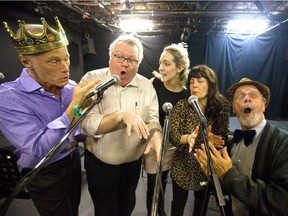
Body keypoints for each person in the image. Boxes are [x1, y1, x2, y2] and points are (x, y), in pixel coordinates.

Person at [0, 17, 100, 216]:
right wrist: (74, 108)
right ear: (26, 60)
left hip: (72, 162)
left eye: (66, 58)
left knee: (73, 210)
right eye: (54, 61)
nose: (65, 67)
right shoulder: (8, 99)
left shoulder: (70, 87)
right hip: (43, 173)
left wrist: (81, 125)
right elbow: (38, 149)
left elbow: (78, 124)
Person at [80, 34, 162, 216]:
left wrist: (156, 132)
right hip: (101, 167)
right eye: (119, 57)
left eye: (132, 60)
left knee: (127, 207)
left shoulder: (146, 86)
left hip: (132, 165)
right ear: (110, 57)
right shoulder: (92, 80)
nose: (125, 64)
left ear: (138, 63)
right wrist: (120, 117)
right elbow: (86, 123)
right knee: (105, 211)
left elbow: (153, 117)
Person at [195, 77, 288, 216]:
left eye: (253, 95)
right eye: (240, 96)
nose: (247, 99)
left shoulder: (283, 144)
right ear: (233, 107)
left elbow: (281, 203)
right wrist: (214, 175)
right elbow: (225, 192)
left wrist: (228, 174)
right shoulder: (231, 144)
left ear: (264, 105)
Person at [169, 64, 230, 216]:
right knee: (178, 205)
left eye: (200, 81)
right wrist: (188, 138)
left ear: (211, 84)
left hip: (205, 165)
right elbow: (173, 135)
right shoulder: (182, 105)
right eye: (191, 81)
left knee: (201, 207)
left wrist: (211, 139)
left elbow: (222, 136)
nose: (194, 85)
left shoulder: (221, 106)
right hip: (182, 164)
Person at [143, 42, 189, 216]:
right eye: (161, 63)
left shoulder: (187, 95)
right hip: (154, 145)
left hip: (177, 146)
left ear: (180, 68)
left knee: (178, 190)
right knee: (155, 187)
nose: (161, 68)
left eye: (167, 64)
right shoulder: (153, 84)